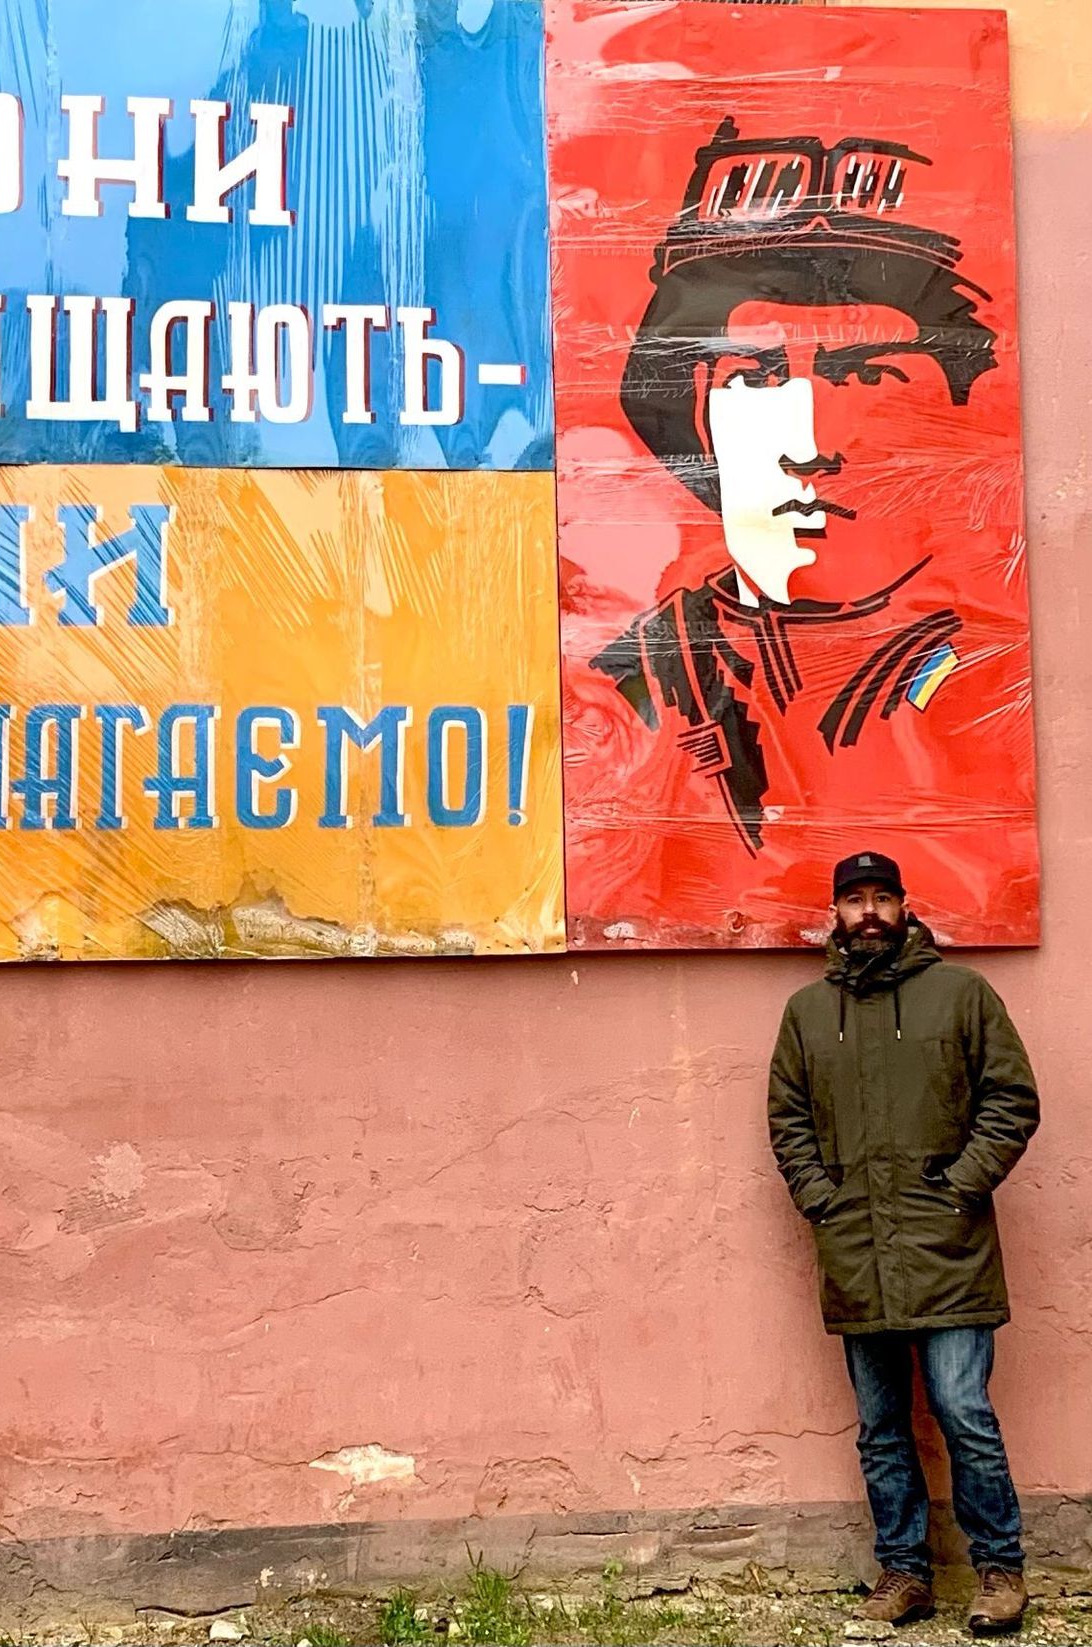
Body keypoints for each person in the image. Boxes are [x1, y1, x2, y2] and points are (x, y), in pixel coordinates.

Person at [563, 117, 1037, 947]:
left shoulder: (975, 684)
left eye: (869, 373)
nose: (809, 443)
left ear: (953, 419)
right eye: (755, 375)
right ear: (694, 420)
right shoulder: (634, 684)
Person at [767, 851, 1039, 1633]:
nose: (871, 911)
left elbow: (1012, 1098)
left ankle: (999, 1568)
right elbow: (787, 1120)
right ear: (836, 913)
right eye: (855, 899)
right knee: (882, 1426)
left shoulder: (962, 996)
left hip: (949, 1248)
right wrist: (823, 1200)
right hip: (857, 1253)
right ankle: (904, 1571)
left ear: (906, 906)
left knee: (962, 1409)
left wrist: (960, 1187)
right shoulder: (808, 1014)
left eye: (883, 896)